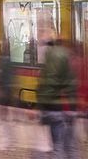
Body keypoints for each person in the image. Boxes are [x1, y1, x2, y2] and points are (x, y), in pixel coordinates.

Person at [36, 30, 79, 159]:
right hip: (65, 107)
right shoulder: (67, 56)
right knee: (68, 146)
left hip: (55, 107)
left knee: (58, 147)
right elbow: (71, 83)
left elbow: (49, 82)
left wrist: (40, 106)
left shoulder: (52, 56)